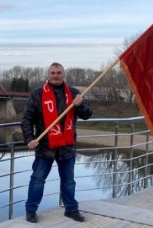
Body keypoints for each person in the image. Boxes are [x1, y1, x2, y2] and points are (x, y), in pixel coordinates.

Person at [21, 62, 92, 223]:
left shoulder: (74, 93)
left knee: (69, 181)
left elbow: (87, 115)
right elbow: (27, 119)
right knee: (37, 179)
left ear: (63, 74)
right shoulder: (37, 94)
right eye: (52, 72)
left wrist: (80, 105)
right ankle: (31, 210)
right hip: (45, 146)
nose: (55, 75)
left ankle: (71, 210)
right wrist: (29, 139)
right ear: (48, 75)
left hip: (67, 146)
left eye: (58, 72)